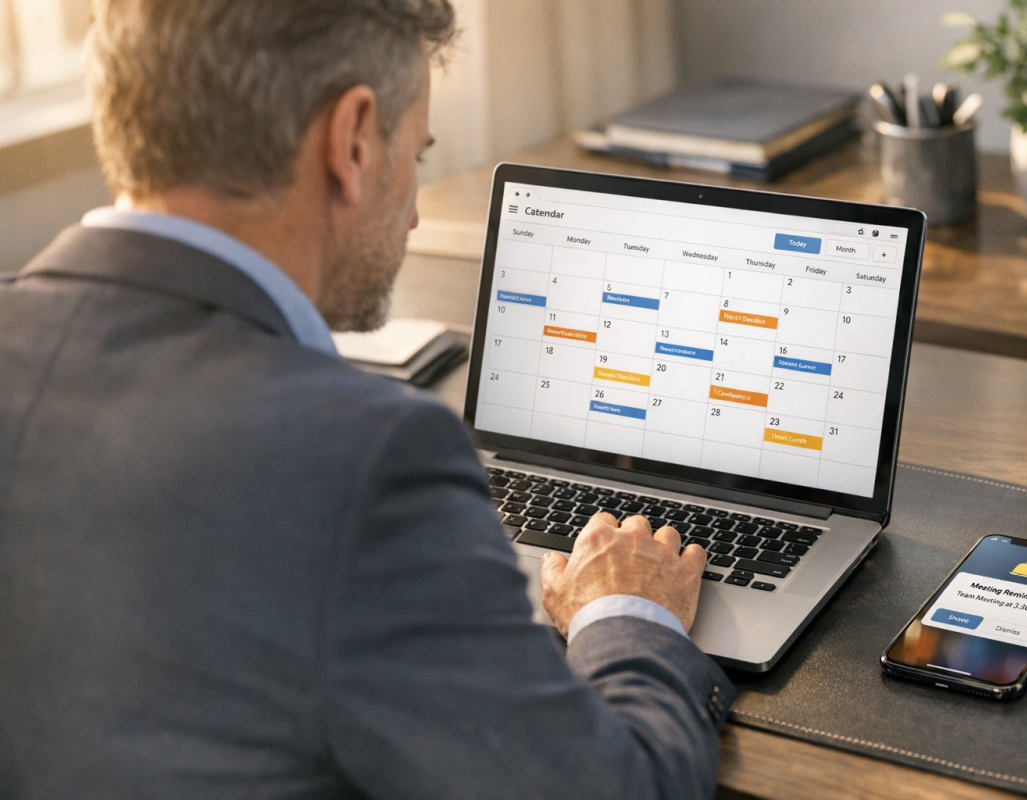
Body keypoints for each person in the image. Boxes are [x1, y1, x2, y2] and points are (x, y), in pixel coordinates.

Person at [0, 0, 734, 797]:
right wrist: (623, 614)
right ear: (351, 140)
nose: (415, 209)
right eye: (415, 153)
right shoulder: (366, 457)